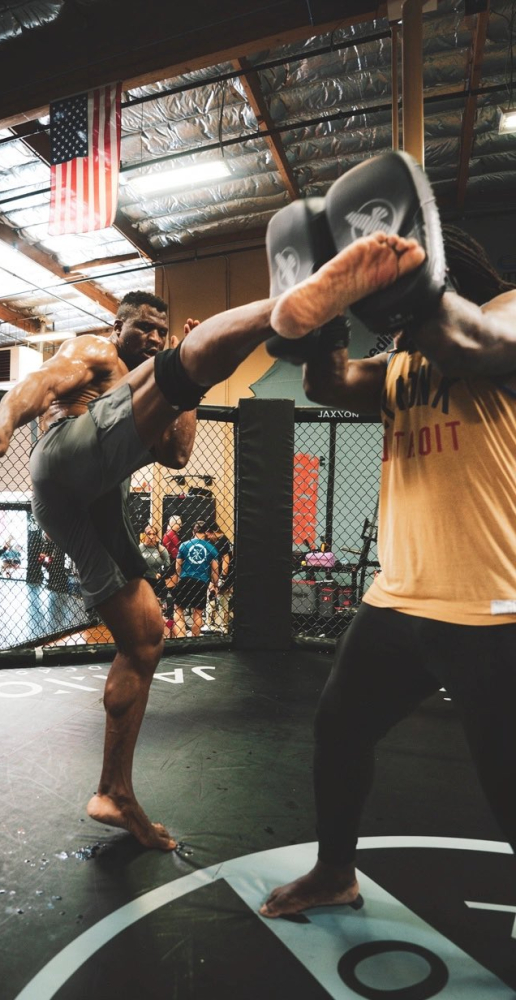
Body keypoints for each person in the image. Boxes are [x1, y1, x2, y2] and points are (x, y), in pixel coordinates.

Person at [0, 242, 425, 851]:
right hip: (65, 458)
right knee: (182, 366)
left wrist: (191, 378)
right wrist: (3, 420)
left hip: (86, 503)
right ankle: (289, 303)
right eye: (143, 328)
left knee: (145, 637)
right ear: (117, 328)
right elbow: (40, 380)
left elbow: (179, 453)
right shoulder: (95, 351)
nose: (153, 338)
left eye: (161, 331)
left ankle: (114, 791)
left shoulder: (151, 388)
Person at [260, 224, 516, 918]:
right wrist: (321, 316)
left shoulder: (503, 315)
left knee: (507, 781)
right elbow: (328, 383)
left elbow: (471, 344)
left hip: (492, 605)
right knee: (340, 730)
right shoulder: (402, 361)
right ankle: (334, 872)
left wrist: (396, 284)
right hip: (399, 599)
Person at [173, 520, 219, 637]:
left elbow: (177, 566)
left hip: (185, 579)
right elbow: (215, 571)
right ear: (206, 532)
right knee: (198, 613)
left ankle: (180, 639)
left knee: (178, 609)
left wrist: (179, 578)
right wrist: (215, 584)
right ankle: (194, 640)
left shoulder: (184, 545)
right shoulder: (211, 548)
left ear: (193, 531)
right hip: (201, 582)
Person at [204, 522, 233, 630]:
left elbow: (226, 559)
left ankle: (211, 624)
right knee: (222, 599)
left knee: (216, 597)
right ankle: (221, 625)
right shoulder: (225, 540)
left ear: (213, 532)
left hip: (221, 575)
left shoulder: (222, 542)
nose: (208, 538)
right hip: (224, 575)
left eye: (208, 535)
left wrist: (222, 577)